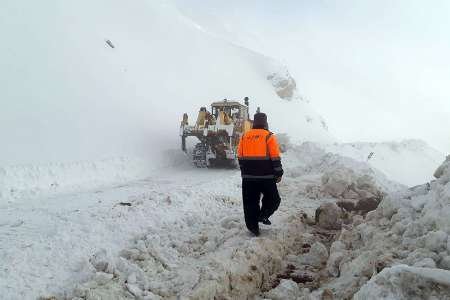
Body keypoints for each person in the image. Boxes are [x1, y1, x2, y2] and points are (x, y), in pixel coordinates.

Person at [237, 112, 283, 236]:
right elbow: (275, 157)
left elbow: (240, 157)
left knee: (250, 203)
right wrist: (279, 173)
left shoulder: (244, 136)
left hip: (248, 178)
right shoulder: (269, 136)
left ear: (254, 123)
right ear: (265, 123)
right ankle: (262, 216)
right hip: (266, 177)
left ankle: (253, 228)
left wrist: (244, 172)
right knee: (273, 199)